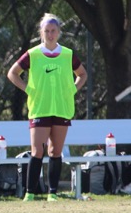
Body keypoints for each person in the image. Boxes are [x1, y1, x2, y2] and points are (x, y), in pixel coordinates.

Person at [7, 13, 87, 202]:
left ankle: (52, 192)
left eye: (53, 31)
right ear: (41, 33)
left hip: (61, 108)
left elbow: (82, 74)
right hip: (39, 108)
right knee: (37, 151)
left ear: (59, 32)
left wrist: (72, 90)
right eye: (47, 31)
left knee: (55, 152)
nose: (50, 34)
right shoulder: (33, 54)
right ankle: (30, 192)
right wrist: (28, 89)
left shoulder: (67, 54)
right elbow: (13, 73)